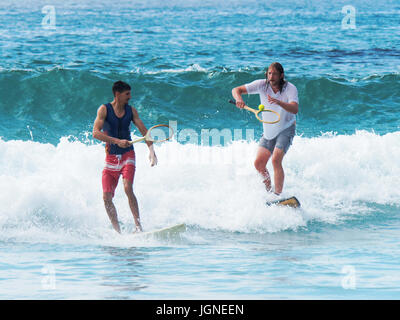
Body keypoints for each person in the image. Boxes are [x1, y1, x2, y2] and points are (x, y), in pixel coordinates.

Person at [93, 80, 157, 233]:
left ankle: (138, 227)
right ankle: (118, 232)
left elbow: (143, 130)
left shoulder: (131, 111)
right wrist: (116, 141)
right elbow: (95, 133)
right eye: (127, 94)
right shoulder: (104, 109)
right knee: (106, 197)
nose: (130, 96)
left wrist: (152, 150)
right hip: (111, 158)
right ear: (117, 94)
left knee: (128, 188)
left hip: (128, 155)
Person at [231, 62, 299, 195]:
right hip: (269, 131)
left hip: (286, 129)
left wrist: (279, 102)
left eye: (274, 74)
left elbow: (295, 108)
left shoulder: (290, 88)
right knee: (259, 164)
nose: (271, 76)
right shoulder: (262, 85)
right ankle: (268, 193)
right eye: (269, 73)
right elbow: (236, 90)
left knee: (275, 160)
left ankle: (278, 196)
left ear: (281, 75)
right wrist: (239, 99)